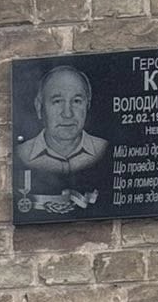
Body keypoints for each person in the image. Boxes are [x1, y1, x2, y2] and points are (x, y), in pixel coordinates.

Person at [15, 62, 110, 213]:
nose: (67, 113)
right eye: (57, 101)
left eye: (77, 101)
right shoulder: (21, 154)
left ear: (88, 105)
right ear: (39, 107)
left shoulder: (105, 150)